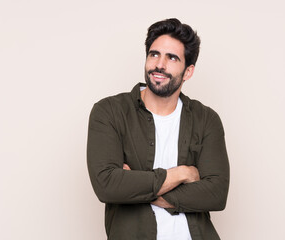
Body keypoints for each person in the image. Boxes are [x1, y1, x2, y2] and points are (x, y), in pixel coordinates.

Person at [87, 18, 230, 240]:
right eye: (154, 54)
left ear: (188, 71)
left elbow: (216, 194)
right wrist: (181, 173)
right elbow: (107, 186)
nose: (159, 65)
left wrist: (135, 186)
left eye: (172, 58)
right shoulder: (110, 112)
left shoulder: (206, 119)